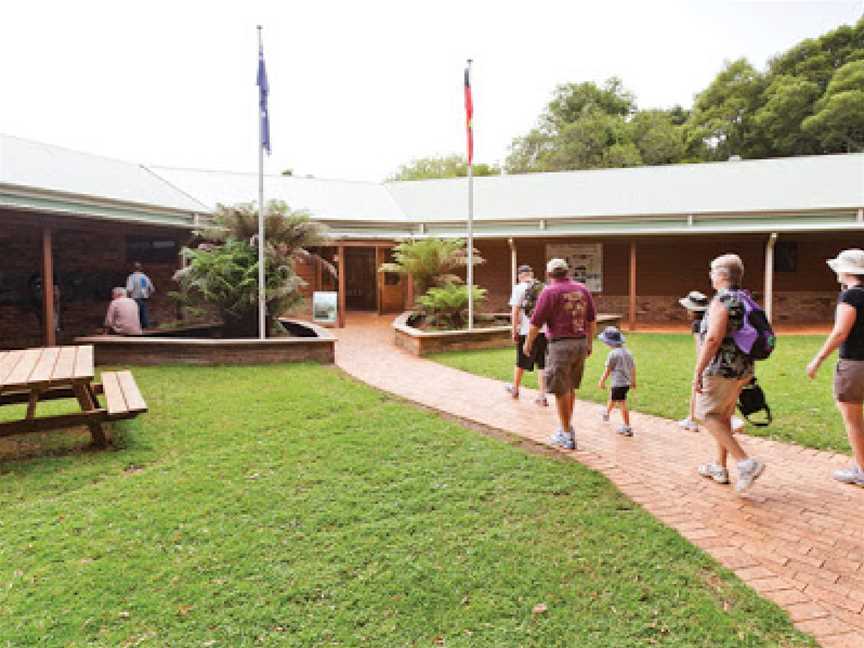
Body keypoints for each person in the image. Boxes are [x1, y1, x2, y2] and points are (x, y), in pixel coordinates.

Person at [693, 254, 765, 492]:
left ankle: (745, 462)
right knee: (723, 417)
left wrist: (698, 370)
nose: (710, 276)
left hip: (721, 369)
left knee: (706, 415)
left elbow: (713, 339)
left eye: (712, 271)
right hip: (743, 369)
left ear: (722, 275)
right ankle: (719, 466)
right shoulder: (743, 298)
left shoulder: (721, 301)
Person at [524, 258, 597, 450]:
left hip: (560, 345)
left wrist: (528, 342)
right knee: (570, 386)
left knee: (560, 389)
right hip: (580, 344)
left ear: (549, 274)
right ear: (567, 272)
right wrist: (589, 343)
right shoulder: (582, 289)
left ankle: (566, 434)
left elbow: (536, 322)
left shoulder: (549, 292)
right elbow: (591, 319)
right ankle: (567, 427)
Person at [806, 248, 864, 487]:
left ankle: (861, 470)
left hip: (854, 365)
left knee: (853, 420)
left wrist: (818, 359)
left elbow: (840, 332)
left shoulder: (851, 297)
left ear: (846, 271)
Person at [505, 264, 548, 406]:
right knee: (542, 363)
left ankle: (515, 389)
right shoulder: (543, 287)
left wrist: (514, 330)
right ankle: (542, 396)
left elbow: (515, 311)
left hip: (525, 330)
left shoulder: (518, 288)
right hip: (542, 330)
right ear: (531, 274)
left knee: (521, 361)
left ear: (520, 275)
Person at [678, 291, 709, 431]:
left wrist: (699, 368)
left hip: (705, 361)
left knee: (696, 388)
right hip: (715, 360)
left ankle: (692, 420)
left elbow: (700, 347)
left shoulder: (697, 324)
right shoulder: (710, 319)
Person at [597, 326, 636, 436]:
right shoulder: (628, 352)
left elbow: (608, 370)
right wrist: (633, 381)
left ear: (609, 343)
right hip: (626, 383)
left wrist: (602, 381)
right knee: (613, 396)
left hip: (618, 383)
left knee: (622, 403)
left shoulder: (612, 354)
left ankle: (627, 427)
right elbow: (633, 368)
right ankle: (606, 413)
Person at [126, 262, 155, 329]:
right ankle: (146, 330)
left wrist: (127, 298)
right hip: (144, 298)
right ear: (141, 268)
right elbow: (152, 289)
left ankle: (136, 331)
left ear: (132, 269)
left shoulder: (132, 277)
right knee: (144, 314)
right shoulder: (145, 277)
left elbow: (130, 289)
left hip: (135, 298)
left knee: (135, 315)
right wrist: (148, 295)